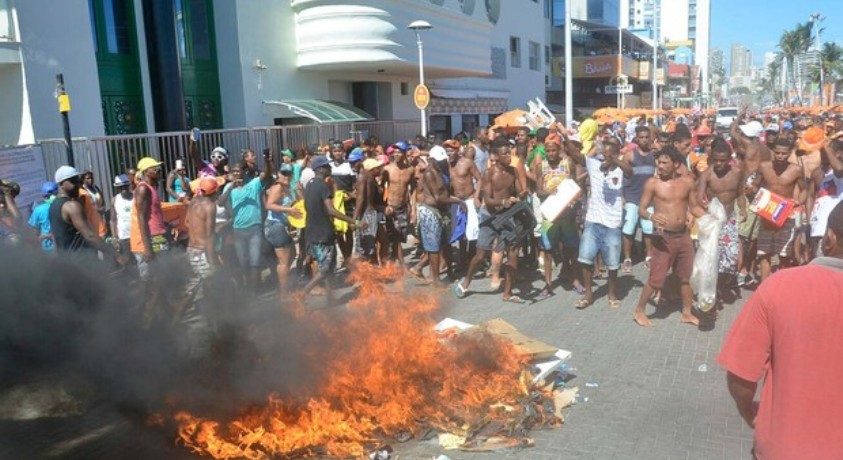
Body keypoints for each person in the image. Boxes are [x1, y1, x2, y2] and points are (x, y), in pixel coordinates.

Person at [718, 200, 843, 460]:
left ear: (829, 238)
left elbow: (741, 375)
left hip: (784, 449)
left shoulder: (779, 287)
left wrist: (749, 412)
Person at [632, 147, 708, 328]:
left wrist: (711, 218)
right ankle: (639, 311)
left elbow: (694, 207)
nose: (660, 166)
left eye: (664, 163)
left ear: (676, 164)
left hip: (684, 237)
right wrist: (651, 216)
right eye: (658, 162)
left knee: (685, 277)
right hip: (663, 238)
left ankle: (687, 313)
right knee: (656, 279)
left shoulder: (688, 182)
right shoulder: (653, 183)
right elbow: (641, 209)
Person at [454, 140, 525, 302]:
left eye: (509, 153)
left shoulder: (513, 172)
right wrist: (503, 202)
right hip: (489, 216)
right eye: (505, 153)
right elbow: (488, 199)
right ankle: (466, 283)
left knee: (513, 253)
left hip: (507, 216)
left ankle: (508, 292)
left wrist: (522, 195)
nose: (509, 156)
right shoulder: (489, 173)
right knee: (480, 255)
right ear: (497, 157)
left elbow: (520, 191)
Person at [568, 134, 625, 309]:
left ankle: (612, 293)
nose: (605, 157)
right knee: (585, 259)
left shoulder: (621, 168)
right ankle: (588, 294)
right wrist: (564, 135)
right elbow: (575, 154)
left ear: (616, 154)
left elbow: (630, 171)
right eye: (604, 154)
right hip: (593, 220)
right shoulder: (594, 165)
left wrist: (614, 161)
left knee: (613, 263)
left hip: (613, 223)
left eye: (610, 154)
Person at [302, 155, 363, 303]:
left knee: (327, 265)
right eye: (327, 166)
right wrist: (354, 221)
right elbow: (331, 210)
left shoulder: (310, 184)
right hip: (323, 233)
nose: (330, 168)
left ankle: (329, 297)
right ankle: (302, 294)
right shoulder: (322, 185)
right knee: (325, 268)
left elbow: (306, 206)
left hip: (312, 231)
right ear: (320, 169)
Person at [532, 134, 582, 300]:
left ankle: (574, 279)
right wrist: (549, 193)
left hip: (567, 215)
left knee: (572, 248)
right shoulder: (541, 166)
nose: (551, 154)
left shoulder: (568, 164)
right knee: (547, 250)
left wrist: (573, 200)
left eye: (554, 150)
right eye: (548, 151)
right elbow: (538, 192)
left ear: (559, 150)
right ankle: (548, 284)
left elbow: (575, 187)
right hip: (550, 215)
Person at [697, 138, 746, 301]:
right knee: (713, 257)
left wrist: (743, 209)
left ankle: (722, 285)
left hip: (730, 219)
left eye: (722, 160)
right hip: (714, 221)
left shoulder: (738, 173)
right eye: (716, 160)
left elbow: (740, 193)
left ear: (729, 159)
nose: (719, 163)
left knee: (731, 259)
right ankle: (714, 289)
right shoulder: (707, 175)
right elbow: (699, 198)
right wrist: (705, 207)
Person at [219, 151, 275, 289]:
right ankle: (247, 289)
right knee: (243, 262)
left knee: (254, 262)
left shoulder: (254, 184)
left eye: (239, 171)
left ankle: (254, 293)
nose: (236, 173)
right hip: (238, 230)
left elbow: (266, 175)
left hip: (254, 228)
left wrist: (267, 162)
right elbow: (220, 203)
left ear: (244, 172)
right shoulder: (229, 187)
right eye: (234, 171)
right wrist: (231, 186)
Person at [754, 137, 803, 281]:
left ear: (789, 153)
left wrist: (798, 201)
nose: (780, 156)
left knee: (784, 255)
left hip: (786, 214)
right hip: (767, 214)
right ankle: (763, 287)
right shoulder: (764, 166)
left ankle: (781, 287)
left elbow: (805, 189)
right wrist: (751, 189)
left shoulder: (796, 170)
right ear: (773, 151)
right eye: (777, 153)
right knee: (764, 253)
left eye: (784, 153)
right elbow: (756, 184)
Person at [48, 165, 121, 261]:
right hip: (82, 263)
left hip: (66, 264)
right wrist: (116, 254)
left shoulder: (53, 206)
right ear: (61, 184)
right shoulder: (72, 206)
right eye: (73, 181)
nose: (78, 185)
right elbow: (90, 236)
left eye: (78, 181)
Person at [415, 146, 460, 287]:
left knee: (446, 243)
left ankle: (449, 272)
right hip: (431, 211)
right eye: (438, 161)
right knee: (433, 247)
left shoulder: (440, 171)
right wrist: (458, 201)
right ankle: (435, 279)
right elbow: (438, 197)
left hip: (441, 211)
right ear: (432, 160)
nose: (441, 163)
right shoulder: (429, 173)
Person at [621, 125, 656, 272]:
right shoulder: (629, 155)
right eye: (641, 137)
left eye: (646, 137)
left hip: (649, 199)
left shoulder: (654, 155)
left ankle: (648, 256)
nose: (644, 140)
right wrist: (622, 196)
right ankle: (627, 258)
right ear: (636, 138)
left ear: (650, 138)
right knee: (629, 227)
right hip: (632, 197)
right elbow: (622, 176)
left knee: (648, 228)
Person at [131, 157, 171, 283]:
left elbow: (153, 214)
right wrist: (147, 248)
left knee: (162, 276)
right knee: (152, 280)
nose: (159, 170)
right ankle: (145, 303)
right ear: (146, 171)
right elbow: (141, 217)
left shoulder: (152, 188)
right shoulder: (143, 189)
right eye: (155, 168)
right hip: (151, 239)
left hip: (158, 236)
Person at [264, 164, 302, 298]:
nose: (286, 176)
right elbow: (269, 205)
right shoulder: (278, 187)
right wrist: (289, 210)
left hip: (280, 226)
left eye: (289, 174)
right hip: (275, 226)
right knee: (284, 262)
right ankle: (284, 294)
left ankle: (282, 284)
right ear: (279, 174)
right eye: (284, 173)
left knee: (292, 254)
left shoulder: (287, 188)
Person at [445, 139, 481, 272]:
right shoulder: (445, 165)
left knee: (472, 232)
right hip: (455, 201)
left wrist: (477, 196)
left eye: (452, 150)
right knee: (460, 233)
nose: (449, 153)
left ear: (457, 151)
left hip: (469, 199)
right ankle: (462, 260)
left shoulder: (467, 162)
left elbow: (479, 179)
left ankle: (472, 260)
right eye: (447, 150)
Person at [185, 177, 220, 307]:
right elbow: (209, 234)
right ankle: (216, 320)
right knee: (211, 285)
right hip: (202, 252)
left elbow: (187, 222)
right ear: (215, 191)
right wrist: (211, 261)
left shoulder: (194, 202)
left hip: (191, 248)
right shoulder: (210, 206)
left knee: (196, 288)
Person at [807, 139, 843, 257]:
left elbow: (839, 169)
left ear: (839, 154)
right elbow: (811, 196)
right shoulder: (817, 173)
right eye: (821, 151)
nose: (822, 153)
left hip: (833, 228)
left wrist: (826, 147)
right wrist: (808, 220)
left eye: (826, 151)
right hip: (817, 226)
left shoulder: (838, 170)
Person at [382, 143, 416, 266]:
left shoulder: (410, 170)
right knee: (393, 236)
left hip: (403, 207)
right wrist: (384, 206)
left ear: (404, 153)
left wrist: (413, 209)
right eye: (394, 152)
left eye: (399, 152)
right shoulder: (387, 169)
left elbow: (413, 189)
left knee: (401, 235)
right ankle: (396, 264)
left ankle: (395, 262)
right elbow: (380, 188)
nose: (396, 154)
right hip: (391, 207)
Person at [353, 158, 385, 264]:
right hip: (370, 213)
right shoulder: (368, 177)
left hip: (367, 214)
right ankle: (371, 272)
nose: (380, 169)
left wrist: (354, 219)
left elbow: (360, 199)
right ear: (371, 169)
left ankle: (370, 273)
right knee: (368, 245)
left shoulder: (365, 177)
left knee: (365, 247)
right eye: (377, 168)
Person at [28, 181, 58, 253]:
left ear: (44, 196)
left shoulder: (38, 210)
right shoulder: (63, 206)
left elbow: (33, 230)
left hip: (47, 247)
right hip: (63, 246)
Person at [109, 174, 134, 255]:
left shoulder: (136, 197)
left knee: (142, 262)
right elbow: (113, 220)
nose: (123, 189)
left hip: (137, 235)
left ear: (128, 186)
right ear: (117, 188)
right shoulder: (115, 200)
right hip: (123, 237)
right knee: (128, 262)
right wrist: (114, 237)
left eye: (125, 186)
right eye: (121, 187)